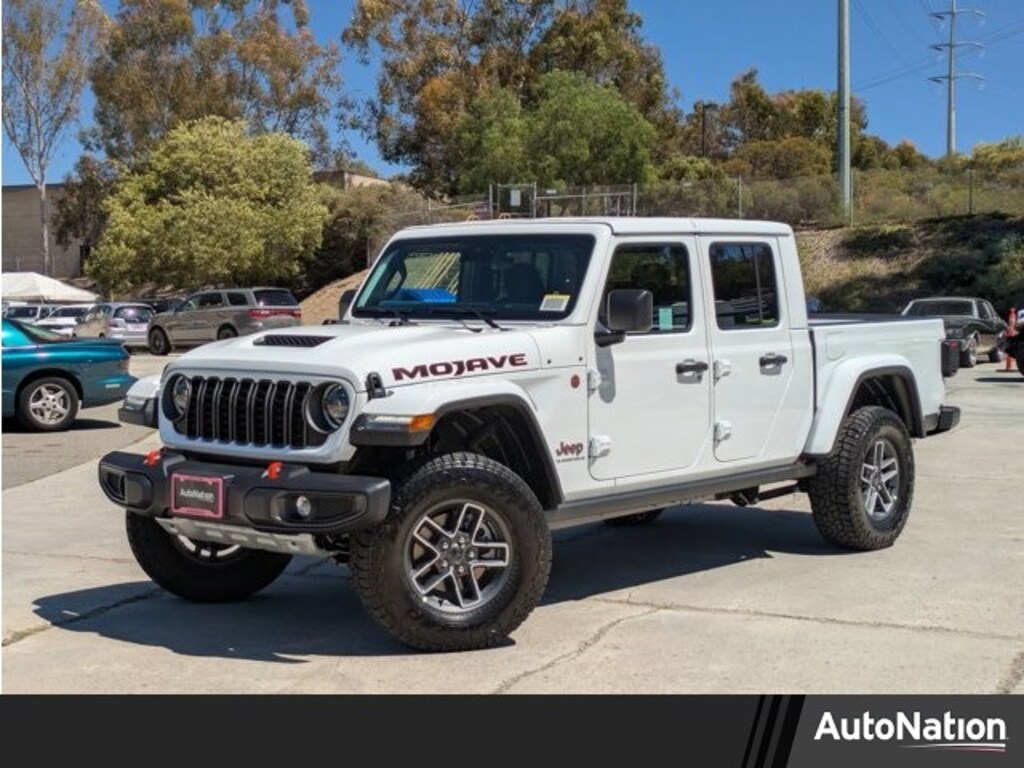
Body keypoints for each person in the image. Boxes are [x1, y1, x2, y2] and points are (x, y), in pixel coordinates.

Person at [1004, 306, 1019, 371]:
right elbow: (1011, 323)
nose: (1012, 310)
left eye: (1013, 309)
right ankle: (1008, 367)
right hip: (1011, 333)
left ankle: (1008, 367)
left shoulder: (1012, 315)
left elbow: (1011, 324)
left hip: (1011, 333)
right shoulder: (1013, 315)